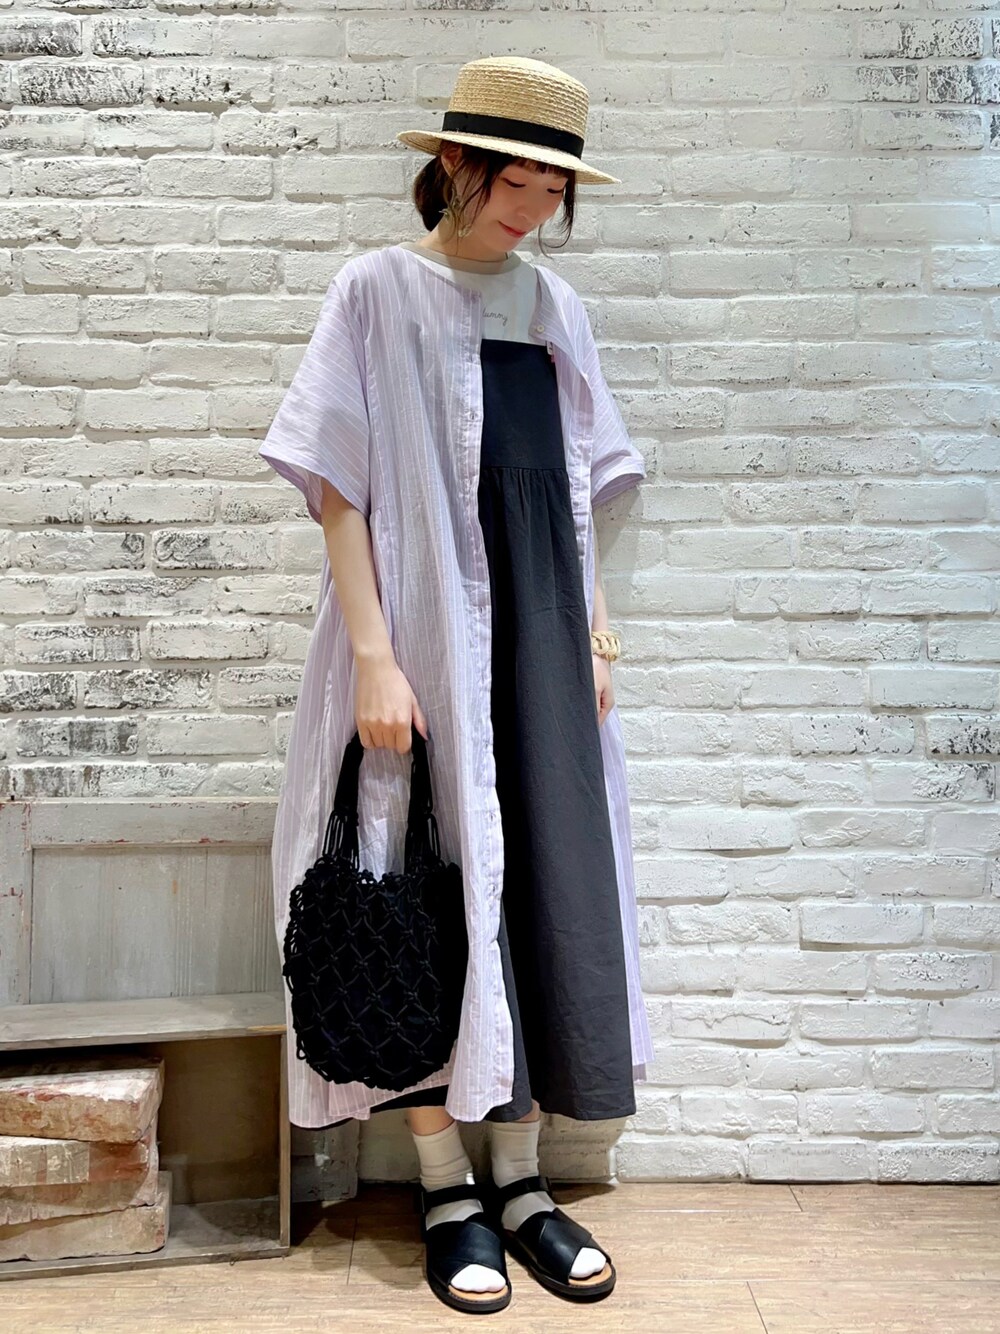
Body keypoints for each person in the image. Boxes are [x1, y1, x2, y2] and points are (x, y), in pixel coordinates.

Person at [259, 55, 654, 1314]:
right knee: (413, 893)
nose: (532, 206)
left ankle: (523, 1184)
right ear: (452, 163)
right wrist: (375, 654)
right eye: (513, 178)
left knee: (540, 888)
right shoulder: (376, 290)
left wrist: (596, 640)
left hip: (542, 651)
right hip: (416, 645)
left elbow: (584, 494)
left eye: (552, 185)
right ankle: (445, 1188)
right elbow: (337, 486)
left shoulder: (553, 307)